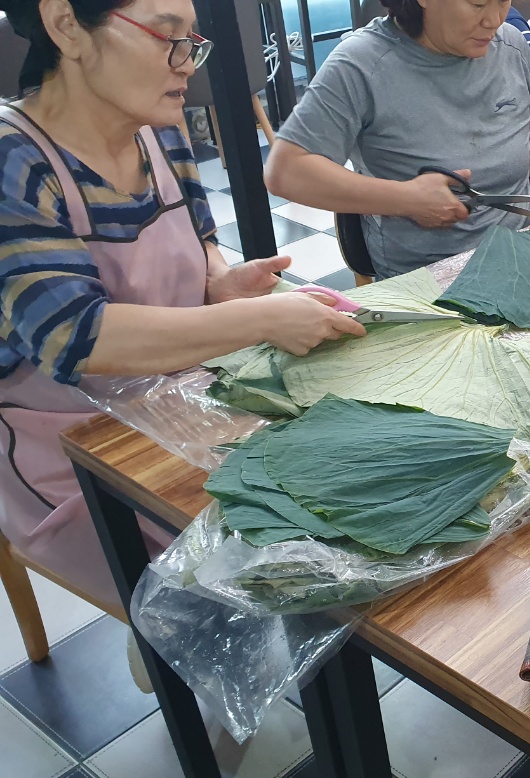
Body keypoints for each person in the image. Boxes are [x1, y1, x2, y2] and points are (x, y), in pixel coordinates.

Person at [0, 0, 363, 612]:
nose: (187, 63)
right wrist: (262, 318)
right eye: (166, 36)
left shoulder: (160, 130)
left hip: (177, 404)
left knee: (320, 527)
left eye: (192, 42)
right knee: (219, 598)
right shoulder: (15, 160)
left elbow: (201, 242)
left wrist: (220, 283)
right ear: (66, 25)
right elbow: (76, 336)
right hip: (66, 451)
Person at [263, 0, 530, 280]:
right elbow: (286, 171)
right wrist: (406, 199)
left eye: (503, 1)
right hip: (424, 282)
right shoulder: (361, 64)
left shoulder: (511, 45)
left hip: (519, 256)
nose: (494, 20)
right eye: (477, 4)